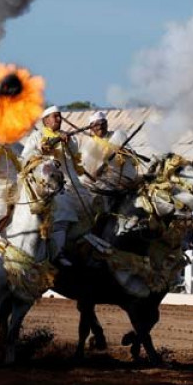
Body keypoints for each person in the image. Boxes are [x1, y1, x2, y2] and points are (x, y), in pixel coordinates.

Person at [20, 105, 97, 266]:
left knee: (91, 207)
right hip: (51, 187)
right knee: (64, 212)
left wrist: (66, 141)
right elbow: (25, 157)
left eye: (60, 116)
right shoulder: (37, 136)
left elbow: (75, 155)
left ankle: (78, 247)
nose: (59, 119)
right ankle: (57, 253)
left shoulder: (69, 137)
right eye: (55, 116)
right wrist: (43, 149)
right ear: (45, 120)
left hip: (73, 184)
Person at [76, 110, 139, 193]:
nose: (100, 127)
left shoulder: (117, 136)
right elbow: (87, 171)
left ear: (107, 124)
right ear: (91, 128)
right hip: (104, 183)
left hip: (125, 177)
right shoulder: (88, 147)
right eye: (96, 125)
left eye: (102, 123)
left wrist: (125, 152)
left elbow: (132, 155)